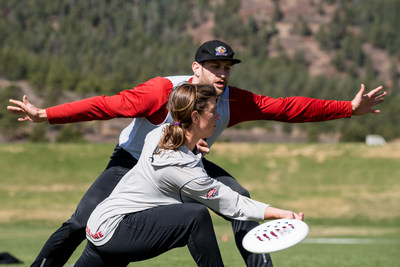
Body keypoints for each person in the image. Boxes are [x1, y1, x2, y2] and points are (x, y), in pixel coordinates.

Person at [7, 40, 386, 267]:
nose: (222, 74)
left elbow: (288, 108)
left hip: (186, 163)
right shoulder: (162, 91)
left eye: (226, 67)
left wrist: (347, 109)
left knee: (240, 198)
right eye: (214, 67)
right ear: (196, 69)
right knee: (82, 221)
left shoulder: (232, 101)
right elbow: (107, 105)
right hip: (132, 163)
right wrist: (46, 115)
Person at [74, 83, 304, 267]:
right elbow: (232, 203)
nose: (217, 117)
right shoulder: (183, 170)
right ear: (194, 117)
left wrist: (192, 145)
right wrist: (280, 213)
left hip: (102, 223)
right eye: (213, 111)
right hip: (118, 230)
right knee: (196, 216)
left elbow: (176, 140)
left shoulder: (159, 134)